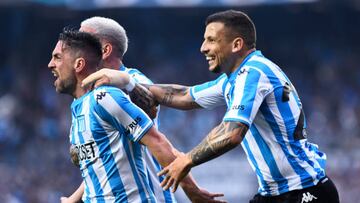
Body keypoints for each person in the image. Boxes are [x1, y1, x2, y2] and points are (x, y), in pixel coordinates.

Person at [81, 10, 340, 203]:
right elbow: (182, 96)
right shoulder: (233, 80)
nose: (203, 48)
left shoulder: (253, 73)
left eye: (211, 40)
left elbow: (232, 133)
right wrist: (126, 80)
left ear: (236, 44)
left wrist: (187, 160)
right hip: (275, 194)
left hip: (306, 191)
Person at [49, 29, 225, 203]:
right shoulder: (80, 107)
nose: (50, 64)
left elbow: (157, 139)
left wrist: (192, 191)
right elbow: (101, 165)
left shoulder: (105, 96)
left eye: (57, 57)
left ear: (79, 64)